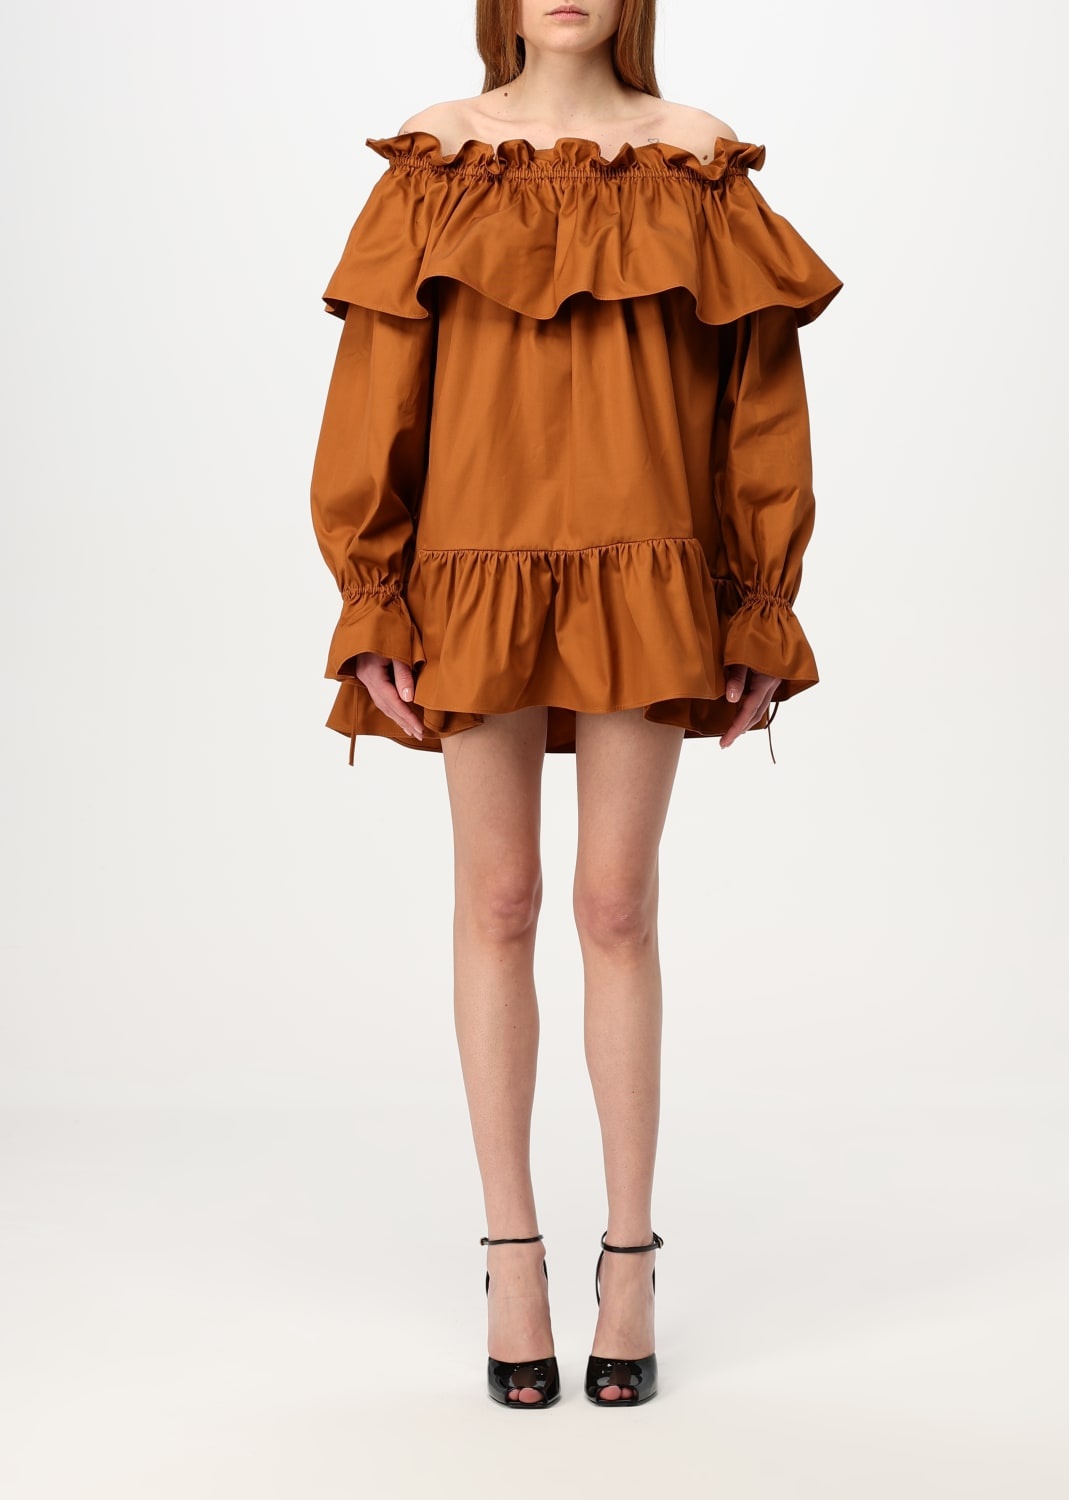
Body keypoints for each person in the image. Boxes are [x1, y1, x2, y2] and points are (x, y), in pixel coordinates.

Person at [309, 0, 842, 1409]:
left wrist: (758, 600)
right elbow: (377, 386)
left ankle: (629, 1257)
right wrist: (373, 595)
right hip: (470, 568)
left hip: (647, 569)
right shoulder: (439, 154)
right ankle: (513, 1254)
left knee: (615, 907)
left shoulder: (695, 157)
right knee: (497, 901)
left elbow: (758, 400)